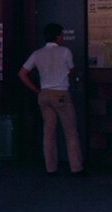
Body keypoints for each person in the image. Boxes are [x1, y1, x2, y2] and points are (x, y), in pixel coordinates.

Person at [19, 22, 85, 175]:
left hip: (44, 94)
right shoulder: (65, 52)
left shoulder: (37, 53)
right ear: (57, 37)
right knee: (70, 132)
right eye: (62, 35)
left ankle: (51, 167)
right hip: (61, 94)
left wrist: (35, 89)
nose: (63, 38)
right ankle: (76, 167)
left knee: (49, 132)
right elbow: (72, 70)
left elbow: (22, 73)